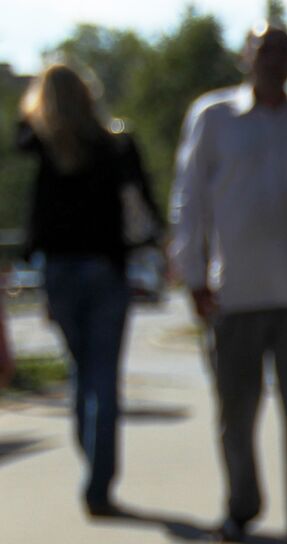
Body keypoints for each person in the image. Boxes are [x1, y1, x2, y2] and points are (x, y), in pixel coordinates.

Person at [169, 23, 287, 544]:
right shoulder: (215, 119)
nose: (274, 60)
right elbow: (190, 199)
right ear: (247, 58)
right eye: (264, 50)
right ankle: (242, 504)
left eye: (283, 52)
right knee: (236, 410)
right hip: (236, 293)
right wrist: (195, 273)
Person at [17, 63, 160, 517]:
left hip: (59, 272)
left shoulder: (40, 144)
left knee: (83, 370)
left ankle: (94, 468)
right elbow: (145, 205)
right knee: (101, 375)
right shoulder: (115, 144)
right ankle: (99, 483)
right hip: (105, 269)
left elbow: (21, 134)